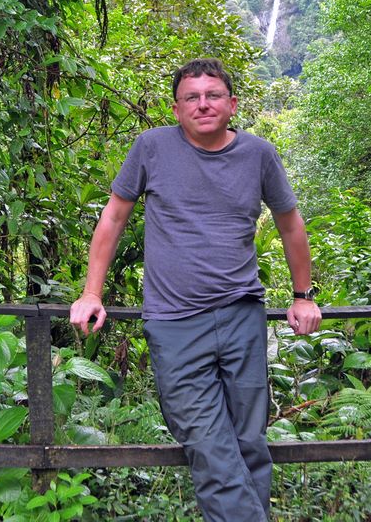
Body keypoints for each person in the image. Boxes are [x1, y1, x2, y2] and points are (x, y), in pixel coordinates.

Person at [70, 58, 321, 521]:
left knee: (248, 444)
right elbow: (114, 218)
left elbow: (290, 225)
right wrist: (92, 292)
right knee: (208, 444)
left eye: (213, 95)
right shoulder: (151, 147)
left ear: (232, 104)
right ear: (176, 107)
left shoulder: (259, 154)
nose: (202, 104)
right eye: (192, 97)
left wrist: (303, 296)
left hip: (243, 314)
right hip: (175, 323)